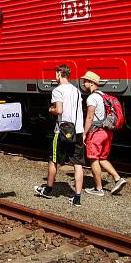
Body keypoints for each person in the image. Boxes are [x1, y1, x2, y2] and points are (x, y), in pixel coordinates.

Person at [34, 64, 86, 207]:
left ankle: (48, 189)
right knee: (78, 164)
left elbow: (59, 109)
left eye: (56, 73)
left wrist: (51, 109)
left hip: (62, 131)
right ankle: (77, 197)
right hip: (78, 130)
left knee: (53, 160)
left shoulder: (57, 90)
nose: (55, 76)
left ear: (59, 74)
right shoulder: (76, 90)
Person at [81, 71, 126, 196]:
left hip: (96, 133)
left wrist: (84, 133)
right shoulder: (103, 95)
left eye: (85, 81)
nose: (83, 83)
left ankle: (98, 189)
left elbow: (89, 117)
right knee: (102, 158)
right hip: (107, 132)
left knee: (93, 159)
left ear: (91, 83)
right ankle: (118, 179)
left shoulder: (92, 98)